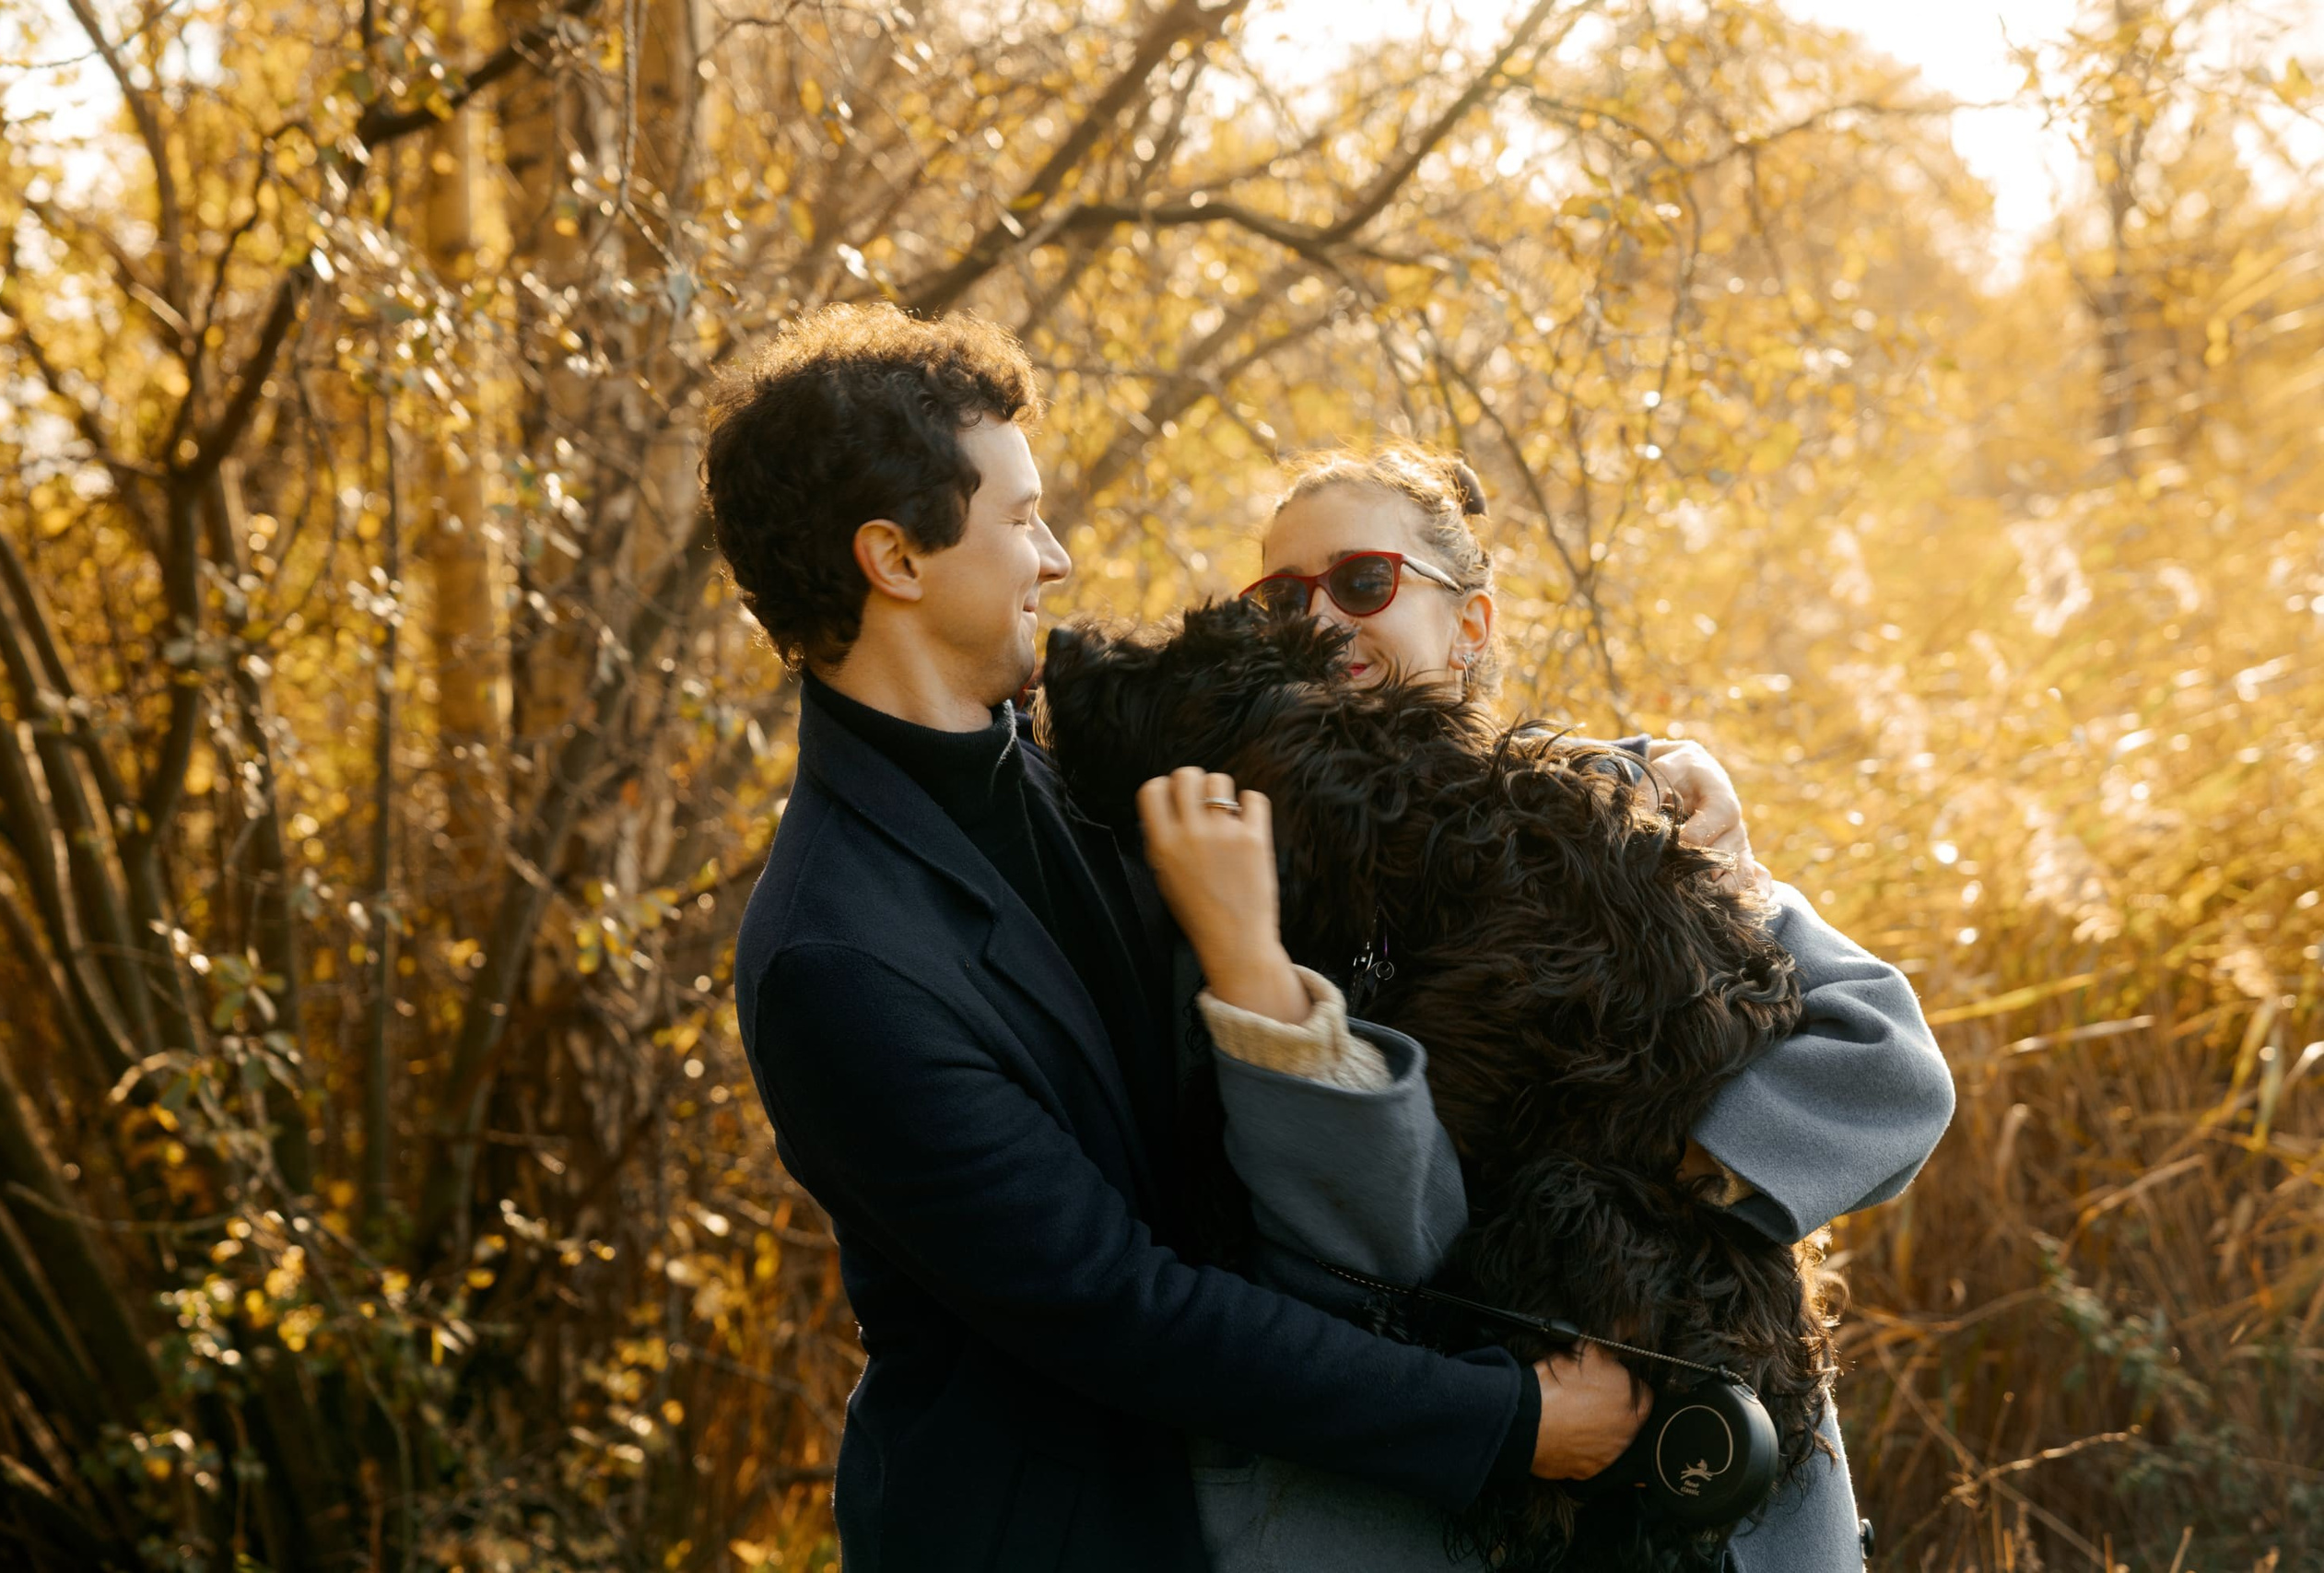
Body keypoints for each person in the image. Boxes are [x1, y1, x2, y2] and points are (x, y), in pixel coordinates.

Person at [709, 307, 1663, 1573]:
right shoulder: (837, 954)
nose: (1053, 557)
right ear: (894, 557)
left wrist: (1645, 785)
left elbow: (1390, 801)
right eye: (1019, 518)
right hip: (1067, 1530)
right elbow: (1117, 1304)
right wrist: (1506, 1419)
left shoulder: (1076, 761)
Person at [1134, 444, 1954, 1570]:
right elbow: (1374, 1242)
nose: (1318, 619)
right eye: (1281, 596)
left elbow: (1886, 1060)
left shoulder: (1614, 809)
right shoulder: (1230, 876)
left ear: (1469, 626)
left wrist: (1650, 1170)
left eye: (1362, 581)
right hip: (1419, 1508)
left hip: (1702, 1489)